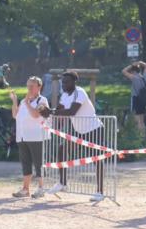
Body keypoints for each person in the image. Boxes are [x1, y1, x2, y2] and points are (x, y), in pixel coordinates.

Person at [45, 71, 106, 202]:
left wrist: (51, 112)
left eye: (66, 82)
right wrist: (48, 115)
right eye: (62, 82)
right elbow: (59, 111)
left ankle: (100, 192)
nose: (64, 84)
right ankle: (62, 183)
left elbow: (72, 111)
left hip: (94, 129)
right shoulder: (64, 95)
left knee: (97, 159)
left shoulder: (80, 92)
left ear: (74, 82)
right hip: (78, 129)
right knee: (62, 149)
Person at [9, 77, 49, 198]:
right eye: (28, 86)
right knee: (25, 163)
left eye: (32, 86)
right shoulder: (24, 101)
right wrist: (15, 101)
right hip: (22, 136)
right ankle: (25, 189)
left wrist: (27, 103)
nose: (29, 89)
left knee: (39, 163)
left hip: (36, 136)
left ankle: (41, 188)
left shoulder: (42, 100)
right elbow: (15, 115)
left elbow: (36, 115)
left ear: (39, 87)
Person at [122, 61, 146, 132]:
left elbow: (123, 71)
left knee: (137, 122)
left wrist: (131, 65)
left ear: (133, 71)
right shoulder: (143, 77)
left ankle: (139, 139)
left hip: (136, 99)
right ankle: (144, 138)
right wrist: (140, 63)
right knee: (142, 121)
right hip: (143, 101)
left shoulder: (134, 78)